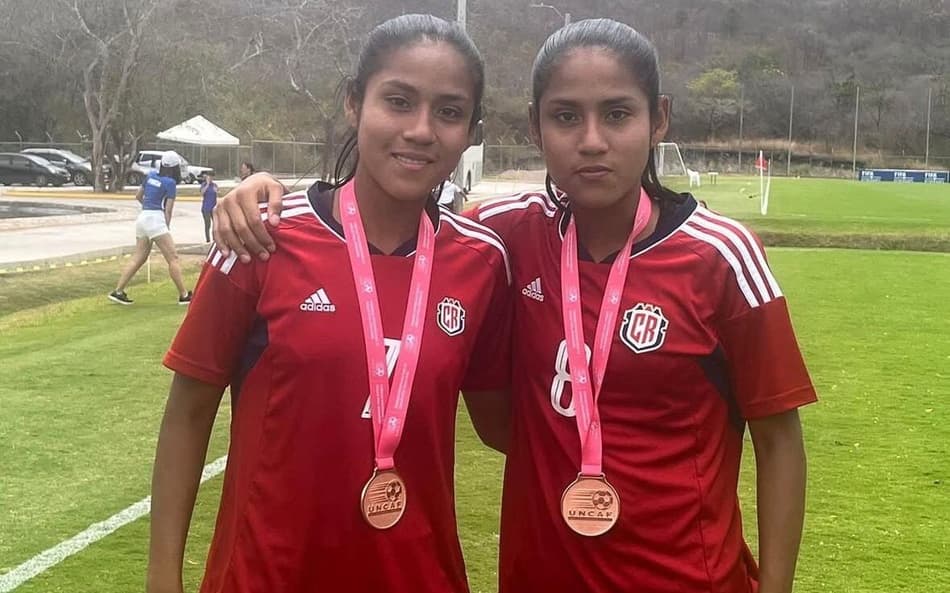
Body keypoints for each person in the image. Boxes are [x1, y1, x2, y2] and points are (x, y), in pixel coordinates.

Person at [211, 19, 817, 593]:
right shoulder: (504, 239)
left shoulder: (720, 255)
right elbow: (399, 224)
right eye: (565, 117)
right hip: (539, 575)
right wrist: (258, 192)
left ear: (657, 119)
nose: (592, 141)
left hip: (687, 577)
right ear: (535, 127)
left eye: (617, 114)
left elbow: (779, 440)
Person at [148, 14, 510, 593]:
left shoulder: (483, 261)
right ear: (353, 104)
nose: (421, 129)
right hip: (266, 575)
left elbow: (508, 424)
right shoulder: (261, 236)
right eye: (398, 100)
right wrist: (161, 582)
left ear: (471, 131)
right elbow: (187, 416)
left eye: (448, 111)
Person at [109, 150, 192, 305]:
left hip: (143, 218)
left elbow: (138, 196)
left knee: (138, 258)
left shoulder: (151, 175)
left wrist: (149, 209)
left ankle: (118, 291)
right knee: (173, 258)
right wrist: (165, 226)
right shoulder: (170, 183)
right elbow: (168, 210)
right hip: (156, 220)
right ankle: (184, 295)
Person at [199, 171, 217, 242]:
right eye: (209, 177)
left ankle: (215, 238)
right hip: (206, 208)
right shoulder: (203, 185)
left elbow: (217, 192)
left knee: (215, 224)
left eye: (211, 177)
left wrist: (216, 191)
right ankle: (208, 239)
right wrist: (207, 184)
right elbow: (202, 192)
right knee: (207, 224)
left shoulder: (214, 185)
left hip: (213, 208)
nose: (210, 178)